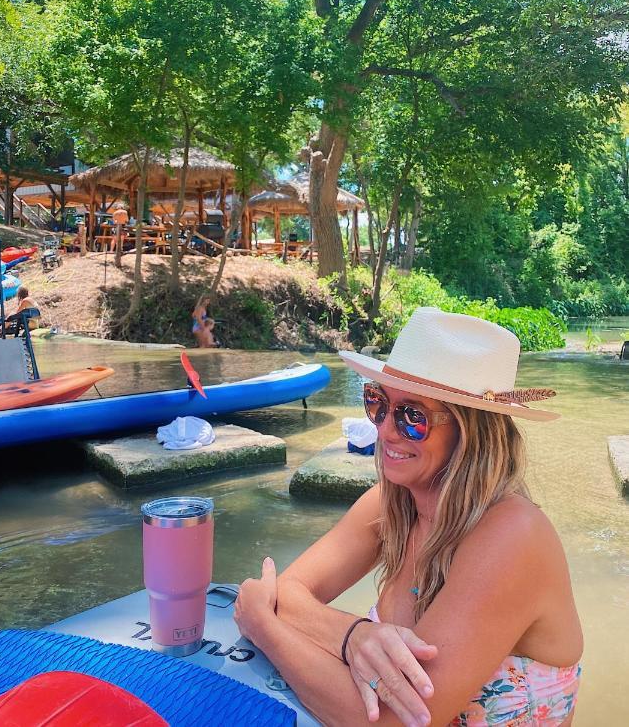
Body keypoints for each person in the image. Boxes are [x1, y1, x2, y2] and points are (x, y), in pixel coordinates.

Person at [234, 307, 583, 726]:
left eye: (413, 416)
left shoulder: (512, 536)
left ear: (472, 433)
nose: (384, 430)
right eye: (377, 402)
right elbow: (287, 590)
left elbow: (393, 722)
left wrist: (262, 626)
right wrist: (353, 636)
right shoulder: (391, 502)